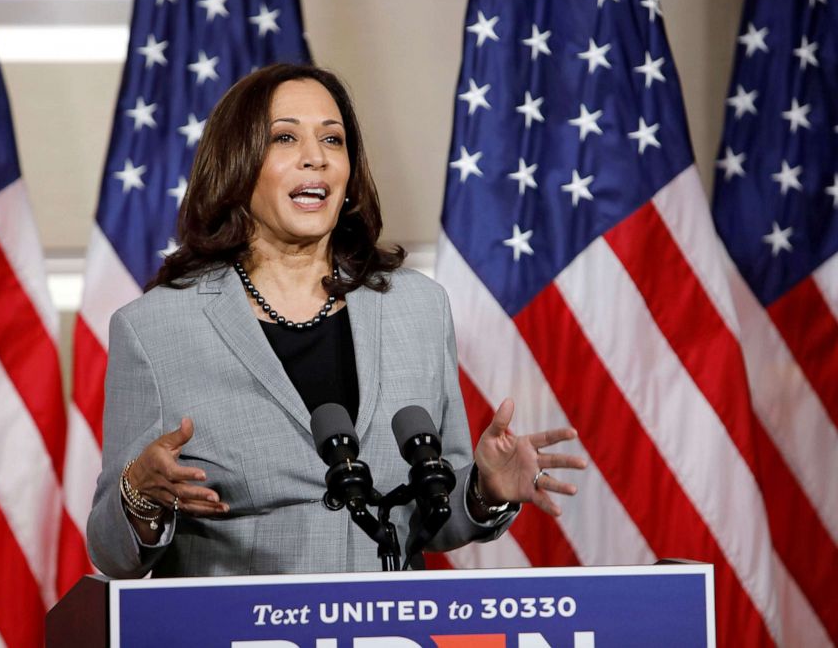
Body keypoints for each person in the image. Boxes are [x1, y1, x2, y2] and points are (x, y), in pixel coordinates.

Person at [86, 63, 586, 578]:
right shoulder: (155, 328)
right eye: (285, 138)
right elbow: (111, 553)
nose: (316, 158)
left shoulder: (417, 308)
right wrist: (139, 497)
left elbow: (437, 520)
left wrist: (484, 491)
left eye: (333, 139)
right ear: (238, 167)